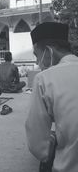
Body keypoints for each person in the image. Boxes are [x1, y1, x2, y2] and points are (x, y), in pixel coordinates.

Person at [25, 22, 78, 172]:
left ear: (48, 51)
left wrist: (48, 150)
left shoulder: (44, 78)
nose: (37, 62)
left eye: (37, 55)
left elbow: (37, 144)